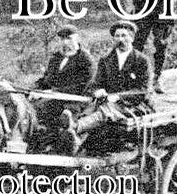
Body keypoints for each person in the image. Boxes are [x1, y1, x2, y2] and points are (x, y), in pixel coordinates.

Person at [63, 21, 154, 155]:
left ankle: (75, 128)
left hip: (132, 104)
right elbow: (94, 84)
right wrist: (97, 91)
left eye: (124, 36)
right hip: (107, 102)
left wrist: (118, 96)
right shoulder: (106, 60)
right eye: (117, 36)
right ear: (113, 39)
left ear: (132, 38)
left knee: (106, 111)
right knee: (90, 109)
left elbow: (143, 90)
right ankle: (75, 138)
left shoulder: (142, 61)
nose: (120, 39)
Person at [31, 25, 95, 152]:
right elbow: (46, 80)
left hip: (75, 101)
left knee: (54, 112)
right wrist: (33, 89)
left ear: (77, 39)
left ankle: (69, 141)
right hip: (53, 98)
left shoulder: (86, 60)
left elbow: (82, 86)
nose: (65, 43)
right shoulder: (56, 58)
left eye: (69, 38)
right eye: (62, 39)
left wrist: (52, 92)